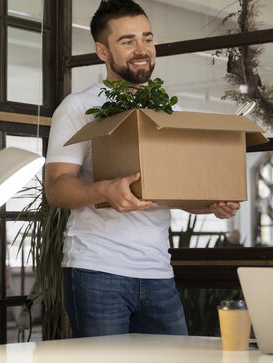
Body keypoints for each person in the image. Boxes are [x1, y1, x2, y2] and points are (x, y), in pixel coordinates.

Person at [44, 0, 239, 338]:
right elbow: (57, 187)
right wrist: (105, 190)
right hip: (97, 271)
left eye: (147, 38)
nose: (142, 49)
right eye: (127, 41)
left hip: (158, 272)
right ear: (102, 51)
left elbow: (167, 190)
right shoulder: (78, 107)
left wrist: (209, 203)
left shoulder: (161, 111)